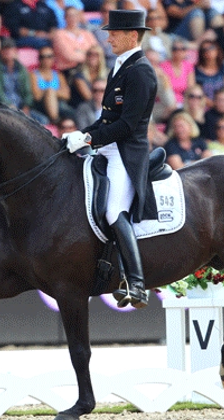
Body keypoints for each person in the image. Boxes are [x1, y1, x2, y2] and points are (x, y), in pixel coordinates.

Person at [61, 9, 158, 308]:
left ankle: (137, 282)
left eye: (114, 33)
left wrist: (88, 139)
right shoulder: (120, 66)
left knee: (114, 210)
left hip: (126, 154)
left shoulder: (141, 71)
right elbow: (107, 120)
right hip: (107, 148)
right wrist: (79, 135)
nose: (109, 37)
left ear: (132, 35)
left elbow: (127, 125)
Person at [31, 45, 74, 123]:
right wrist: (51, 92)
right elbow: (37, 96)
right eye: (43, 57)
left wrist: (50, 93)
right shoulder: (34, 75)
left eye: (49, 56)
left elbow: (67, 95)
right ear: (39, 59)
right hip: (41, 106)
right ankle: (55, 120)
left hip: (59, 105)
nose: (46, 59)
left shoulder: (59, 75)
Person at [52, 7, 98, 73]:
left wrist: (78, 51)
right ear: (65, 18)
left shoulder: (87, 33)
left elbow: (97, 51)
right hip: (70, 70)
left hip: (89, 68)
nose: (73, 18)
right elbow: (69, 56)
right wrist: (87, 53)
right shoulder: (59, 34)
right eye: (70, 15)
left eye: (75, 15)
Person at [69, 45, 109, 110]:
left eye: (96, 54)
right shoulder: (78, 75)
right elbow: (88, 97)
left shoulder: (106, 74)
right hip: (81, 107)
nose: (92, 57)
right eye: (89, 54)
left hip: (100, 106)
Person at [159, 39, 194, 107]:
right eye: (175, 49)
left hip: (184, 102)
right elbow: (166, 89)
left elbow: (191, 88)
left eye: (182, 49)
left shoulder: (188, 66)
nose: (179, 51)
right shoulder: (163, 66)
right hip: (168, 103)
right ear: (171, 51)